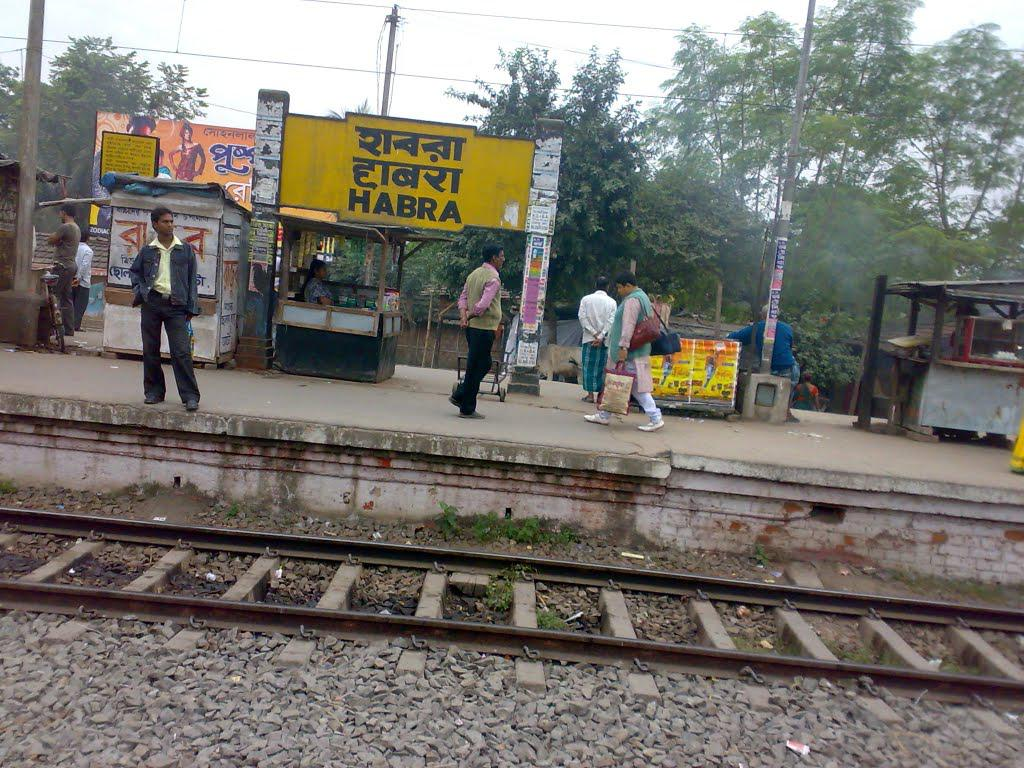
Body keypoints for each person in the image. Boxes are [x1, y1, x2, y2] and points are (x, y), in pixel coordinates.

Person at [128, 206, 201, 412]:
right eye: (165, 221)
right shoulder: (148, 250)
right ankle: (154, 392)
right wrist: (141, 291)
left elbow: (191, 281)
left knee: (181, 351)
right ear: (155, 224)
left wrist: (191, 307)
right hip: (152, 303)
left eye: (171, 221)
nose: (170, 225)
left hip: (176, 305)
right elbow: (135, 273)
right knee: (150, 350)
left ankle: (190, 396)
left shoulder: (184, 249)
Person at [584, 271, 665, 433]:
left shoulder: (632, 301)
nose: (619, 291)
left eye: (620, 288)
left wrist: (623, 347)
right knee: (617, 382)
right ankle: (604, 414)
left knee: (630, 385)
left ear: (628, 286)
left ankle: (655, 417)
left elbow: (628, 325)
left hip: (629, 352)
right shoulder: (642, 297)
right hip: (638, 349)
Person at [450, 244, 504, 419]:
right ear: (494, 258)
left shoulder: (473, 274)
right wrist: (469, 316)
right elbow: (483, 304)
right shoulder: (494, 278)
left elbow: (463, 298)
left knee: (482, 364)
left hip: (473, 328)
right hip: (484, 327)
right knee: (476, 366)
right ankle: (466, 406)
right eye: (501, 256)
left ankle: (461, 394)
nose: (503, 259)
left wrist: (464, 316)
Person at [728, 304, 800, 420]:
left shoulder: (757, 327)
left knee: (745, 376)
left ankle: (749, 409)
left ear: (762, 315)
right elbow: (789, 346)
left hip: (770, 367)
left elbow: (733, 337)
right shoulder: (787, 328)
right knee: (794, 368)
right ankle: (787, 410)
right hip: (788, 367)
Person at [578, 276, 617, 403]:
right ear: (608, 287)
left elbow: (582, 318)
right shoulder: (612, 302)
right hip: (604, 341)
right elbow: (611, 321)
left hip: (589, 338)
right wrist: (601, 336)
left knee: (587, 367)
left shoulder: (586, 299)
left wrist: (594, 333)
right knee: (602, 367)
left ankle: (590, 395)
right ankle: (601, 395)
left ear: (595, 285)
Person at [46, 204, 80, 338]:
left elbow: (50, 240)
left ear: (64, 213)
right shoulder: (76, 228)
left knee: (54, 295)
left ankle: (52, 328)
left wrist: (55, 239)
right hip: (71, 266)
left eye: (60, 213)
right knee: (67, 297)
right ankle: (69, 329)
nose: (59, 215)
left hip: (62, 265)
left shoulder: (65, 227)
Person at [72, 229, 94, 332]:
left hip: (71, 280)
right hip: (83, 282)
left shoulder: (73, 248)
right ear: (88, 239)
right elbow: (84, 265)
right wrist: (79, 277)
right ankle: (75, 326)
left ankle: (70, 325)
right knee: (80, 306)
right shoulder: (88, 251)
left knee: (71, 303)